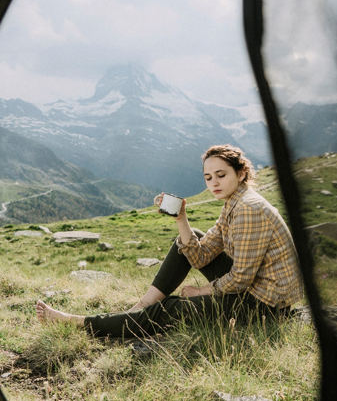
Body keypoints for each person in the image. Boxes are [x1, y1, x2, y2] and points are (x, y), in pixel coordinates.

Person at [35, 144, 304, 337]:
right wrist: (181, 218)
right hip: (254, 288)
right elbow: (199, 255)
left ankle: (79, 323)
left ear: (241, 173)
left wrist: (200, 292)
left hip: (265, 305)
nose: (214, 184)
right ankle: (140, 307)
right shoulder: (233, 204)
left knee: (172, 308)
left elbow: (241, 279)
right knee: (188, 240)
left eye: (221, 175)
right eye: (208, 178)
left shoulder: (248, 209)